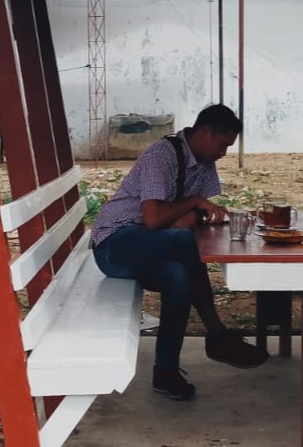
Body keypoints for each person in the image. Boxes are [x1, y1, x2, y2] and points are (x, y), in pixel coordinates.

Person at [90, 103, 268, 400]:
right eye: (223, 144)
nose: (224, 153)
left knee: (178, 276)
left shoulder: (203, 162)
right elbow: (155, 219)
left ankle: (166, 371)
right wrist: (195, 201)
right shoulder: (162, 154)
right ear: (205, 133)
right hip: (116, 244)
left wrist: (195, 210)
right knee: (185, 244)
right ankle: (216, 332)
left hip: (152, 245)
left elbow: (187, 221)